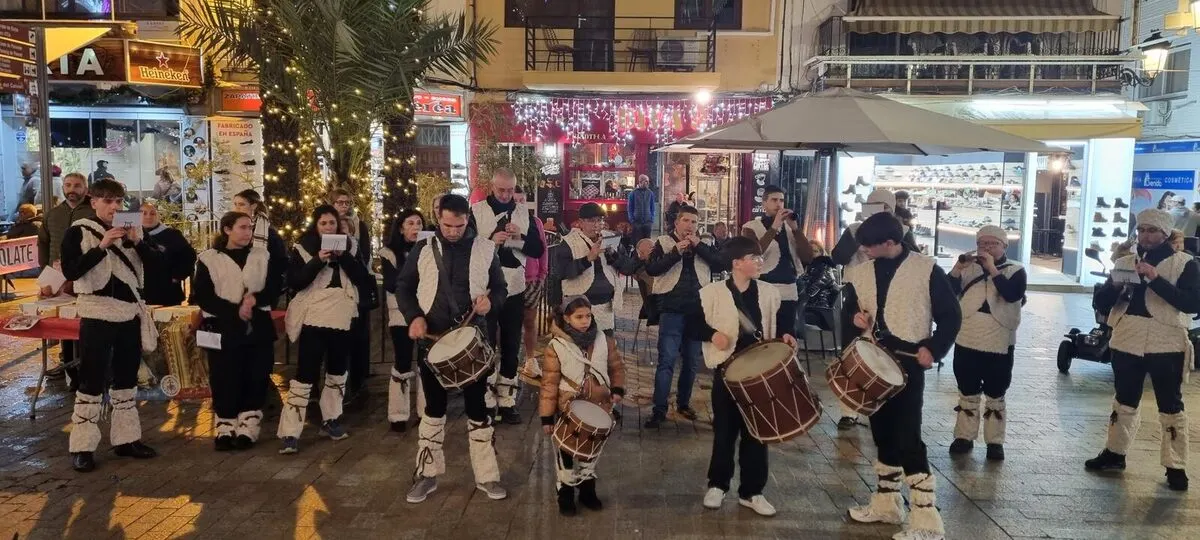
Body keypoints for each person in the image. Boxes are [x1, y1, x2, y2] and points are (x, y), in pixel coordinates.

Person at [840, 212, 960, 540]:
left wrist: (933, 348)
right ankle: (887, 504)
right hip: (874, 359)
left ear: (891, 243)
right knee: (881, 432)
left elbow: (951, 315)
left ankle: (926, 520)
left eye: (870, 245)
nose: (864, 250)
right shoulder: (862, 272)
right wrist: (856, 317)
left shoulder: (926, 269)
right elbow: (850, 305)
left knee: (908, 436)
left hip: (908, 363)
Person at [396, 194, 509, 503]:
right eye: (447, 225)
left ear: (467, 220)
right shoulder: (423, 248)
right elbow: (403, 287)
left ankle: (487, 476)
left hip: (472, 338)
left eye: (459, 225)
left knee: (478, 410)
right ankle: (427, 476)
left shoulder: (485, 249)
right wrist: (414, 317)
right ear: (438, 219)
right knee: (433, 410)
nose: (453, 231)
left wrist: (490, 302)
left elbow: (501, 289)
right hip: (431, 340)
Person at [1086, 208, 1198, 492]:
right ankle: (1114, 453)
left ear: (1165, 234)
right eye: (1142, 230)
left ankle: (1175, 466)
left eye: (1152, 231)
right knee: (1124, 400)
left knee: (1170, 405)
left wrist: (1154, 279)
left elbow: (1191, 304)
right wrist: (1113, 285)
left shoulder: (1185, 263)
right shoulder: (1125, 261)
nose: (1145, 236)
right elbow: (1101, 303)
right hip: (1127, 338)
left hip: (1166, 341)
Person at [61, 179, 162, 473]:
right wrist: (102, 247)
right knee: (91, 380)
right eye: (107, 201)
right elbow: (71, 271)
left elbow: (156, 266)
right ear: (93, 202)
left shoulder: (134, 230)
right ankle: (82, 446)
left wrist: (137, 242)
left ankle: (126, 439)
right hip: (97, 313)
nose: (114, 207)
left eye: (118, 201)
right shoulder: (79, 230)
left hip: (129, 313)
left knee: (126, 379)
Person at [692, 236, 797, 517]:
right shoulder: (711, 293)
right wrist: (712, 335)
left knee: (757, 434)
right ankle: (717, 485)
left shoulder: (769, 292)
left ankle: (752, 492)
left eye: (760, 259)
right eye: (755, 259)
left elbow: (784, 321)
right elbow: (693, 323)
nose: (760, 263)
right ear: (737, 264)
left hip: (761, 371)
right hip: (727, 372)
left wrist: (788, 334)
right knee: (725, 432)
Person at [278, 205, 370, 454]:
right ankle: (290, 431)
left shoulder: (350, 245)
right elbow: (295, 282)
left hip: (342, 315)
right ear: (316, 225)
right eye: (324, 224)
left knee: (338, 371)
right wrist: (319, 260)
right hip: (314, 317)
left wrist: (344, 258)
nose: (329, 228)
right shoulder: (303, 247)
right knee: (305, 373)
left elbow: (363, 277)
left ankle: (331, 419)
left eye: (333, 224)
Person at [190, 211, 282, 451]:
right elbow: (203, 295)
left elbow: (274, 287)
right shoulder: (209, 258)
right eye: (242, 227)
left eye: (250, 228)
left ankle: (248, 426)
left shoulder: (261, 255)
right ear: (227, 230)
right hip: (224, 326)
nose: (247, 232)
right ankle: (225, 425)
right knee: (224, 376)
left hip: (256, 325)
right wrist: (234, 310)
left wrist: (256, 299)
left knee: (255, 375)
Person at [830, 187, 918, 430]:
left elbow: (915, 261)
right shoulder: (855, 230)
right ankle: (849, 410)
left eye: (884, 206)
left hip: (891, 298)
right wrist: (860, 239)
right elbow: (837, 257)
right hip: (856, 293)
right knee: (851, 350)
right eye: (873, 205)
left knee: (887, 352)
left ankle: (884, 406)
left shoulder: (903, 231)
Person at [471, 168, 545, 425]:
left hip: (514, 286)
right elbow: (467, 248)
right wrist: (491, 239)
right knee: (487, 342)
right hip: (487, 287)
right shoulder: (477, 211)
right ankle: (487, 398)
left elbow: (537, 250)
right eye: (501, 190)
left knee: (512, 343)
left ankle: (508, 399)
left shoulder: (524, 212)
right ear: (492, 187)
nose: (505, 195)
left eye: (510, 190)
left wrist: (519, 238)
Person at [539, 296, 625, 516]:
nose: (585, 320)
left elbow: (616, 367)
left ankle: (587, 491)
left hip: (597, 405)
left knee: (591, 453)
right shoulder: (556, 346)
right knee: (566, 453)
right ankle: (565, 494)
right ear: (566, 318)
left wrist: (616, 389)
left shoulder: (604, 340)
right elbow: (549, 383)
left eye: (588, 315)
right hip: (568, 409)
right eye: (579, 317)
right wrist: (547, 417)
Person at [947, 226, 1027, 462]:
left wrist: (992, 268)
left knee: (996, 390)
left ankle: (994, 441)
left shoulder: (1016, 270)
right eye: (982, 244)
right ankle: (964, 436)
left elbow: (1012, 295)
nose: (987, 248)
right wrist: (956, 269)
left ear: (1004, 246)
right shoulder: (968, 267)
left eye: (993, 244)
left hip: (998, 337)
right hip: (968, 333)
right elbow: (946, 293)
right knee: (967, 388)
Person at [643, 205, 726, 428]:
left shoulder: (705, 243)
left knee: (691, 361)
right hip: (671, 308)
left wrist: (699, 246)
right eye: (686, 221)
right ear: (677, 223)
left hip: (698, 310)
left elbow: (720, 264)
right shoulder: (663, 242)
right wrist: (675, 252)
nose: (690, 226)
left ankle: (683, 403)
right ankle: (659, 409)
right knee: (667, 360)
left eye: (694, 222)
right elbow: (652, 269)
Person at [37, 172, 94, 386]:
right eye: (68, 185)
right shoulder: (52, 214)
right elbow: (43, 241)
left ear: (86, 189)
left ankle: (88, 368)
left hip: (86, 276)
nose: (72, 189)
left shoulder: (93, 212)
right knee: (64, 322)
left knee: (86, 323)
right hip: (57, 278)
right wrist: (44, 271)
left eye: (77, 186)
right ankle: (69, 367)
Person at [551, 202, 642, 335]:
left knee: (606, 348)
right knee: (581, 348)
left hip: (605, 305)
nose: (596, 225)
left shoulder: (610, 238)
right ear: (580, 222)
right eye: (591, 221)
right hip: (579, 307)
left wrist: (614, 257)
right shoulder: (569, 242)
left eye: (600, 220)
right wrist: (587, 259)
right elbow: (562, 272)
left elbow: (628, 268)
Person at [741, 185, 814, 340]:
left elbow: (808, 257)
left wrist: (796, 230)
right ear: (764, 204)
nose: (779, 204)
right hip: (763, 289)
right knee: (762, 336)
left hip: (789, 290)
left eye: (781, 200)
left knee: (786, 337)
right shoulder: (751, 227)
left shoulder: (789, 228)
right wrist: (774, 227)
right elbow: (754, 253)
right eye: (774, 200)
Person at [379, 209, 424, 432]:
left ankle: (426, 411)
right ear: (401, 227)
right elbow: (391, 283)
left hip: (426, 312)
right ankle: (398, 414)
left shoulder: (429, 249)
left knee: (426, 363)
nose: (415, 227)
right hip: (400, 313)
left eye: (419, 223)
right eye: (410, 223)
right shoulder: (389, 253)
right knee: (403, 361)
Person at [330, 188, 374, 403]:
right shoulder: (325, 232)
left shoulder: (359, 227)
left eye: (347, 202)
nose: (344, 206)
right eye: (339, 202)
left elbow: (362, 260)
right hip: (331, 299)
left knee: (357, 340)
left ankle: (357, 382)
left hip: (355, 294)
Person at [515, 186, 549, 380]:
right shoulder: (505, 223)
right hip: (511, 280)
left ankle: (530, 359)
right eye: (515, 200)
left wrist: (543, 274)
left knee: (530, 321)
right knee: (508, 324)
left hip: (532, 279)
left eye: (522, 200)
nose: (519, 204)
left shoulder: (535, 222)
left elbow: (543, 250)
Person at [232, 189, 289, 298]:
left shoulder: (268, 233)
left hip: (264, 287)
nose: (237, 208)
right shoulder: (232, 229)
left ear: (253, 206)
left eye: (241, 204)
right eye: (235, 204)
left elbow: (280, 261)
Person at [140, 202, 197, 306]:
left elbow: (189, 257)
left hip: (167, 292)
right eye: (143, 213)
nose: (148, 217)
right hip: (140, 293)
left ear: (158, 215)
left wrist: (176, 277)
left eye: (152, 213)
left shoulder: (172, 235)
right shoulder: (132, 236)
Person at [627, 174, 656, 244]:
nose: (647, 183)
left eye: (648, 181)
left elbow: (652, 207)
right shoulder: (633, 193)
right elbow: (630, 208)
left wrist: (651, 219)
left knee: (648, 242)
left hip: (648, 222)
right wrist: (632, 220)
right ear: (640, 182)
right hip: (637, 223)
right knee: (638, 242)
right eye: (646, 181)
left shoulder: (650, 193)